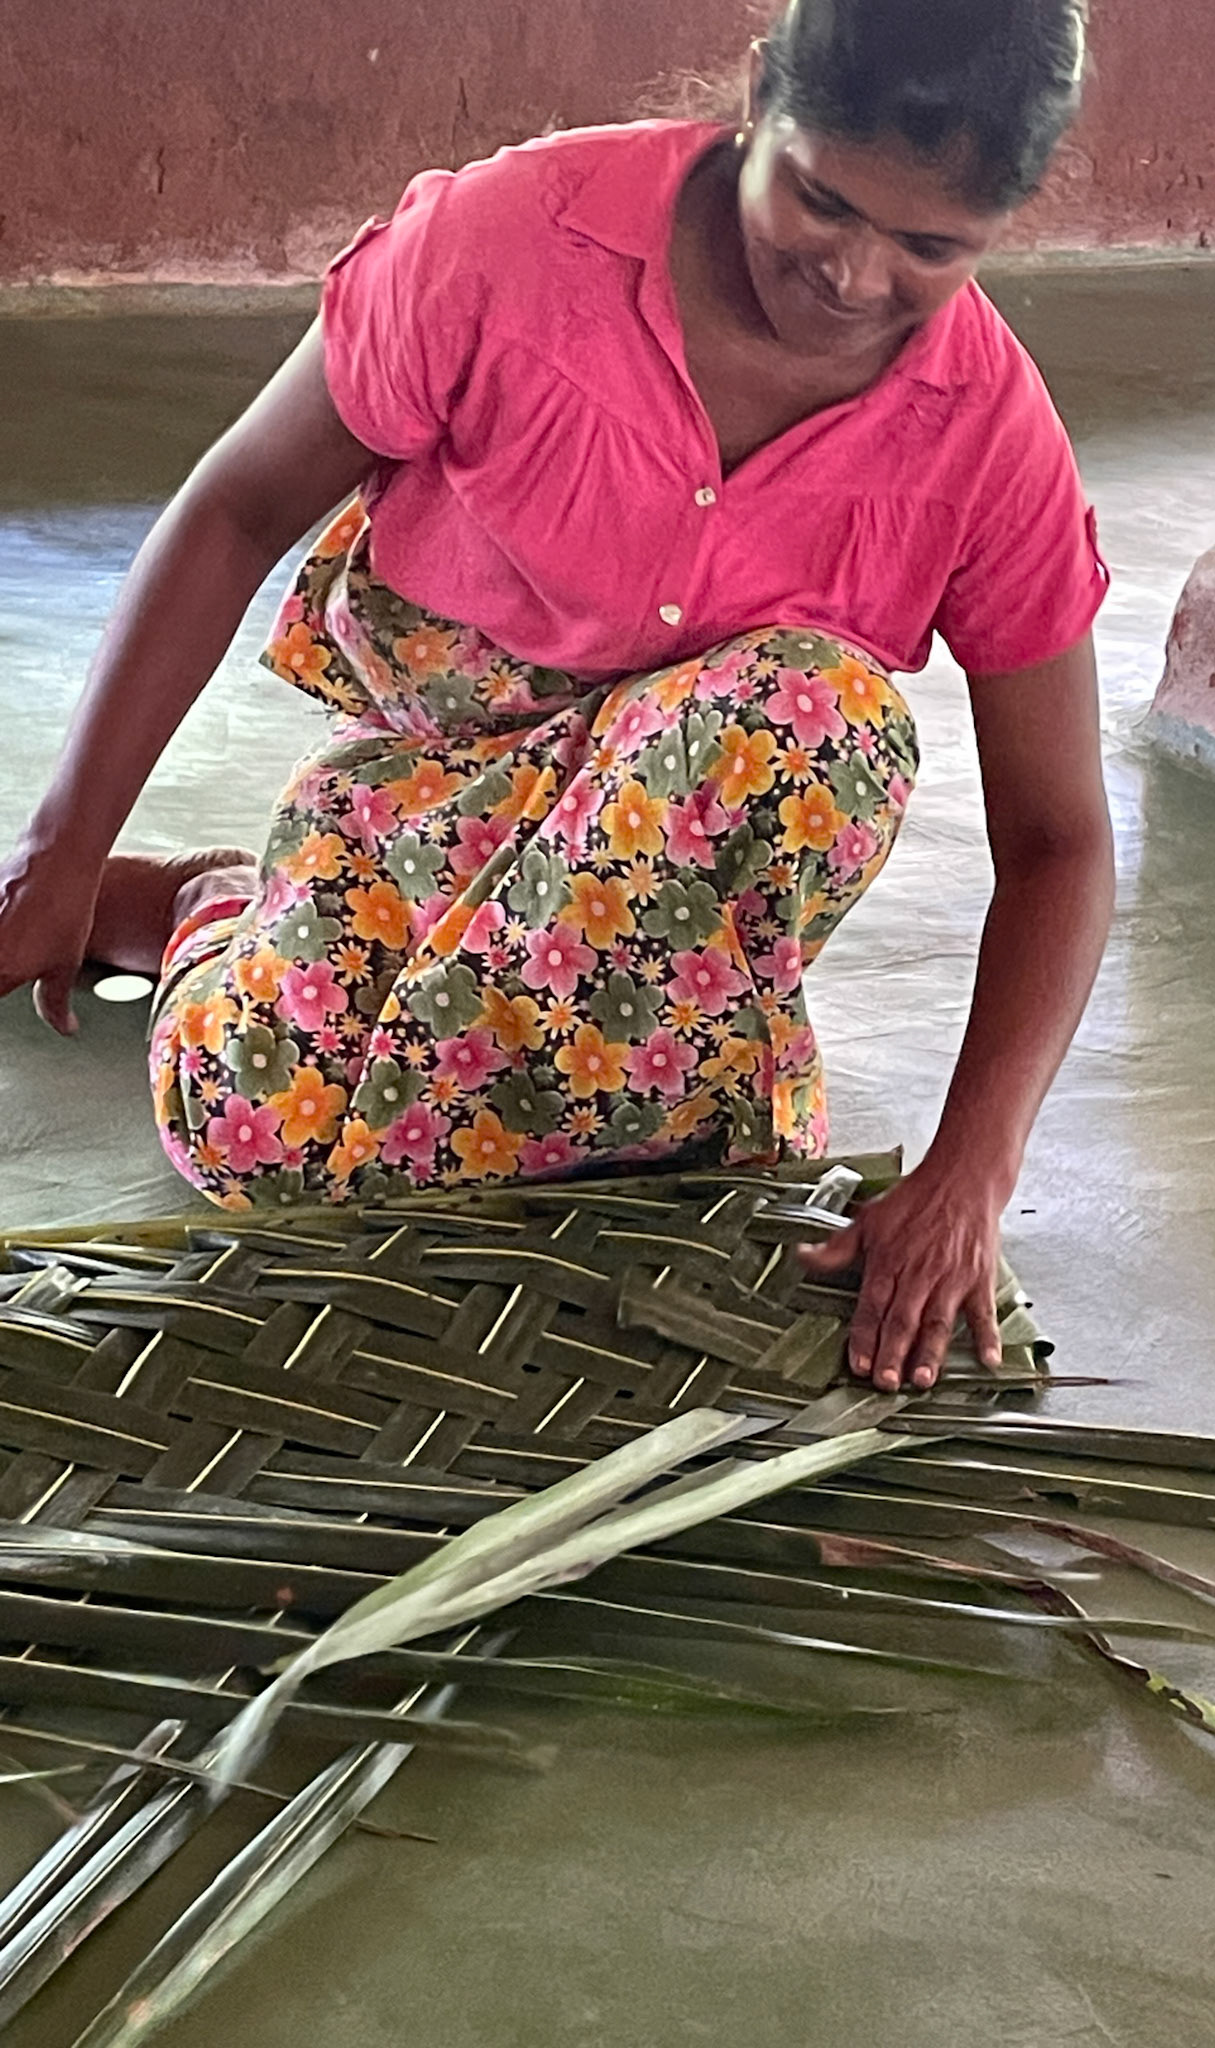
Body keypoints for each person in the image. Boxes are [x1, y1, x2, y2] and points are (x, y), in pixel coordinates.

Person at [0, 0, 1113, 1395]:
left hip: (653, 890)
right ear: (760, 93)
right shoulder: (512, 239)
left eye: (930, 247)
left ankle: (514, 1020)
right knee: (262, 1141)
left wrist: (970, 1172)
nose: (850, 272)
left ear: (1004, 226)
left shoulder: (989, 437)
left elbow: (1062, 840)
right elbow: (235, 507)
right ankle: (189, 903)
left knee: (810, 720)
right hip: (431, 792)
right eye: (820, 199)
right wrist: (59, 844)